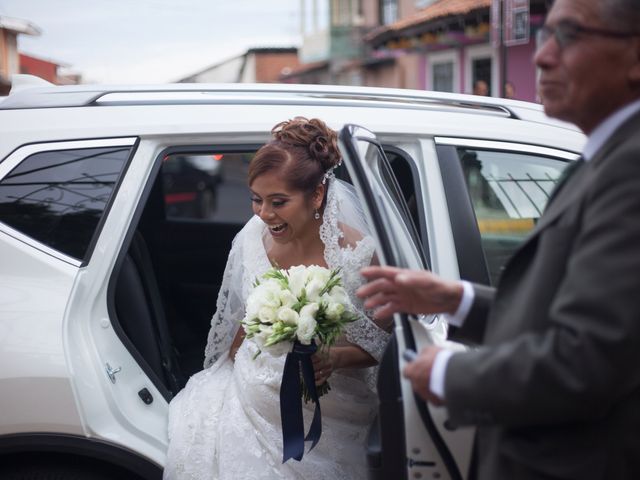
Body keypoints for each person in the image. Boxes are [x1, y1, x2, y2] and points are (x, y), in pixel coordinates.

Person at [357, 0, 640, 478]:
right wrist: (457, 299)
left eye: (568, 36)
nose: (543, 56)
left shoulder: (629, 170)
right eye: (545, 35)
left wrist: (448, 373)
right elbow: (559, 320)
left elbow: (584, 361)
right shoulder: (605, 158)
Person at [164, 117, 390, 479]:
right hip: (251, 389)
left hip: (332, 404)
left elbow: (384, 345)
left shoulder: (360, 256)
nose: (265, 214)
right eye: (256, 199)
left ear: (316, 195)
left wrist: (333, 357)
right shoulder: (252, 237)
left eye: (279, 202)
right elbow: (240, 329)